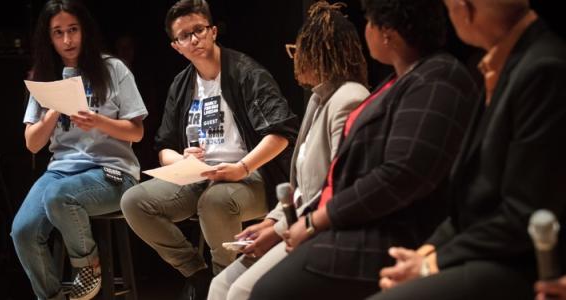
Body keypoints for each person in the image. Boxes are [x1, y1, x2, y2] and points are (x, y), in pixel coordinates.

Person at [249, 0, 479, 299]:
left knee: (266, 291)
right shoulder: (402, 81)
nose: (365, 30)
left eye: (369, 22)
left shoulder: (438, 78)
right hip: (355, 222)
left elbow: (400, 174)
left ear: (387, 33)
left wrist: (315, 221)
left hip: (389, 232)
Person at [366, 0, 566, 300]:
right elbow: (470, 204)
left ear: (465, 8)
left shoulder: (544, 67)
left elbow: (523, 214)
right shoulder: (497, 65)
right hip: (483, 249)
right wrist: (427, 251)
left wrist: (430, 264)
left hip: (522, 265)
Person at [119, 0, 298, 299]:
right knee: (134, 201)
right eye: (184, 36)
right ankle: (201, 276)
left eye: (199, 30)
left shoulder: (246, 73)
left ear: (213, 31)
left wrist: (241, 168)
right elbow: (164, 146)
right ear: (176, 46)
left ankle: (226, 284)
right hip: (200, 177)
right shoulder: (181, 85)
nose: (194, 40)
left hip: (251, 176)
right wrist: (181, 159)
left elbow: (281, 134)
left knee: (215, 202)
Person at [207, 2, 370, 299]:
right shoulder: (319, 98)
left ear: (319, 53)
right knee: (220, 285)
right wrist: (271, 222)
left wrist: (278, 230)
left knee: (242, 291)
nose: (294, 60)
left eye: (297, 51)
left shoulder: (348, 99)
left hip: (321, 230)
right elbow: (300, 190)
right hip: (295, 223)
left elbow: (337, 187)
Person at [10, 0, 148, 299]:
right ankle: (54, 296)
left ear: (85, 30)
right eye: (58, 33)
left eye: (72, 30)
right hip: (61, 171)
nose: (67, 40)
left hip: (112, 171)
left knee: (60, 197)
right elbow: (32, 143)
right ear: (49, 37)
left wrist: (98, 121)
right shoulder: (43, 75)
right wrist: (53, 111)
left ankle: (88, 266)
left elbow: (137, 132)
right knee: (22, 231)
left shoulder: (112, 68)